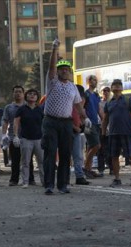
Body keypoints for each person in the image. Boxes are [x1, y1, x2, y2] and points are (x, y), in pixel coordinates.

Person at [42, 38, 85, 194]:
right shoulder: (52, 82)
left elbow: (78, 104)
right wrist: (54, 49)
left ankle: (63, 184)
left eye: (67, 69)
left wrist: (85, 118)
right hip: (51, 122)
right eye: (62, 69)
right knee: (50, 153)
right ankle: (48, 185)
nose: (64, 71)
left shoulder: (73, 87)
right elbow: (51, 66)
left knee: (66, 154)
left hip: (67, 123)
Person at [102, 79, 131, 187]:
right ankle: (117, 178)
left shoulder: (128, 100)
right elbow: (105, 119)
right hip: (113, 133)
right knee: (114, 156)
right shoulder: (109, 102)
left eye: (119, 85)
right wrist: (103, 133)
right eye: (115, 85)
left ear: (122, 88)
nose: (117, 87)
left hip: (127, 132)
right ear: (111, 88)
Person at [13, 89, 44, 188]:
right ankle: (25, 181)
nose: (32, 95)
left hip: (39, 139)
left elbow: (44, 124)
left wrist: (46, 136)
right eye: (30, 94)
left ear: (37, 97)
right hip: (26, 139)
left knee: (42, 162)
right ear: (26, 96)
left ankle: (45, 181)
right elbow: (16, 122)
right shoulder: (21, 109)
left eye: (34, 94)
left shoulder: (40, 109)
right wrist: (16, 136)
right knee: (25, 162)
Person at [2, 85, 26, 186]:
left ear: (23, 93)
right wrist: (4, 135)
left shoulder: (28, 106)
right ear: (13, 94)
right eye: (16, 92)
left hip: (27, 136)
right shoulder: (9, 107)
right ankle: (14, 179)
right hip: (13, 136)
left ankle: (30, 178)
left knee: (27, 160)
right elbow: (5, 121)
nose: (18, 93)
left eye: (20, 92)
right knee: (15, 160)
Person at [83, 75, 102, 179]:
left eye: (96, 80)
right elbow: (81, 107)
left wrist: (105, 122)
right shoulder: (86, 94)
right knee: (96, 145)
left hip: (95, 123)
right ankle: (86, 168)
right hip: (89, 123)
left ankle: (89, 169)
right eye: (93, 80)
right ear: (88, 81)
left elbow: (99, 110)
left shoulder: (96, 95)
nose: (95, 82)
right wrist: (85, 118)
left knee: (91, 146)